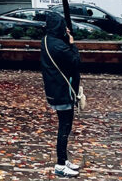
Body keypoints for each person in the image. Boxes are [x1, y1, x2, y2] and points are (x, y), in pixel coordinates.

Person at [40, 11, 82, 177]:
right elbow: (75, 61)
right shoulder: (59, 46)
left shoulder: (47, 41)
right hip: (62, 91)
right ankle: (60, 164)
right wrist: (72, 43)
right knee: (64, 127)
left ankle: (63, 160)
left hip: (55, 90)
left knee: (65, 126)